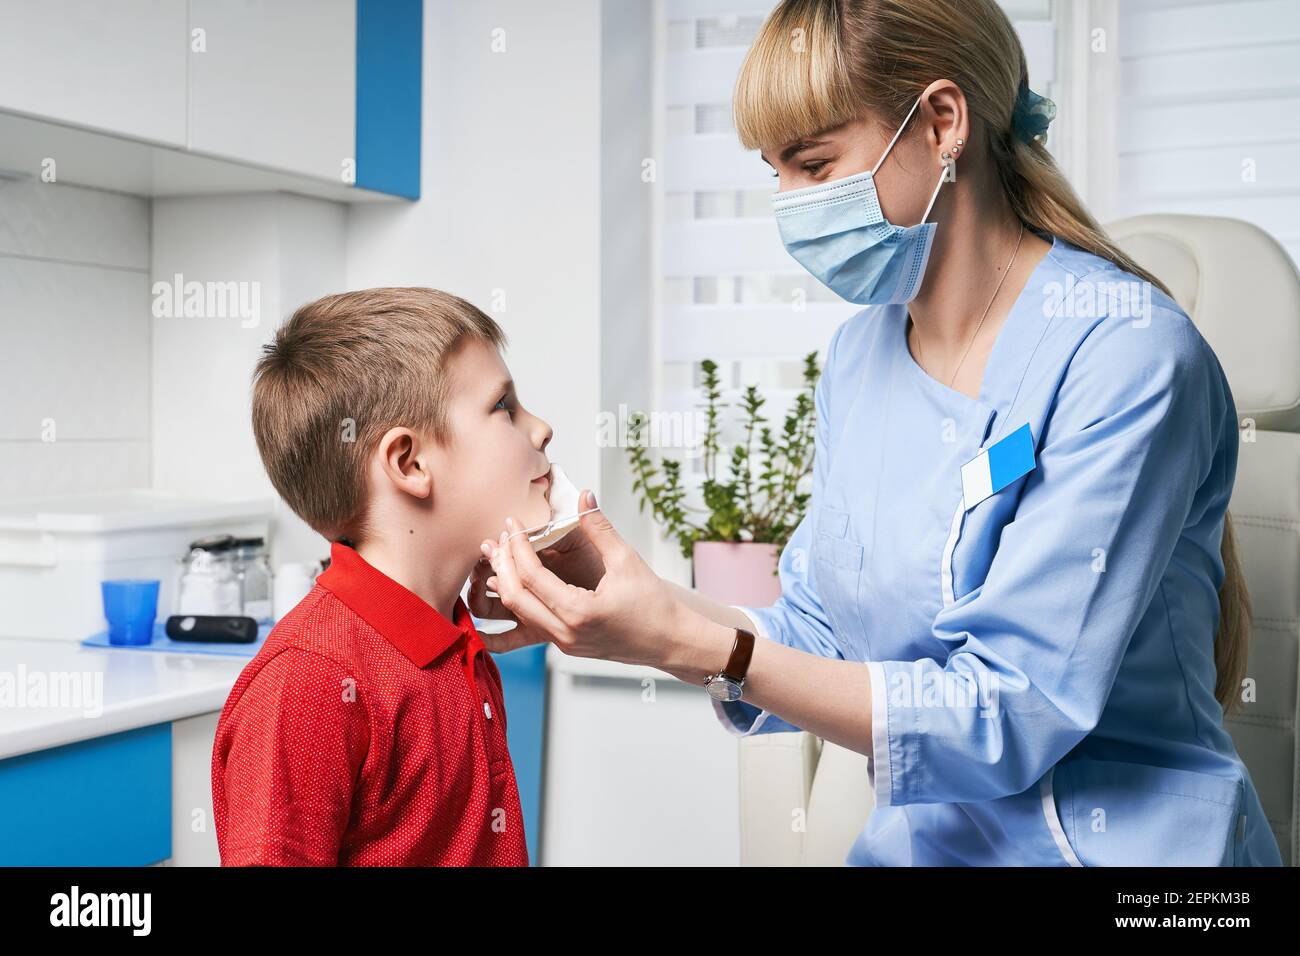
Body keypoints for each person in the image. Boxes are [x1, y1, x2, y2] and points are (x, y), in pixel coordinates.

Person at [471, 0, 1283, 866]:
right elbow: (819, 636)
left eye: (814, 164)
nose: (788, 206)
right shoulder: (862, 360)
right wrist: (643, 607)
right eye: (774, 172)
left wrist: (685, 637)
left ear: (941, 122)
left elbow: (1013, 712)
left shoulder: (1127, 354)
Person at [212, 287, 555, 865]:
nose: (541, 428)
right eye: (504, 407)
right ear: (410, 463)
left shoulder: (463, 639)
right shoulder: (307, 686)